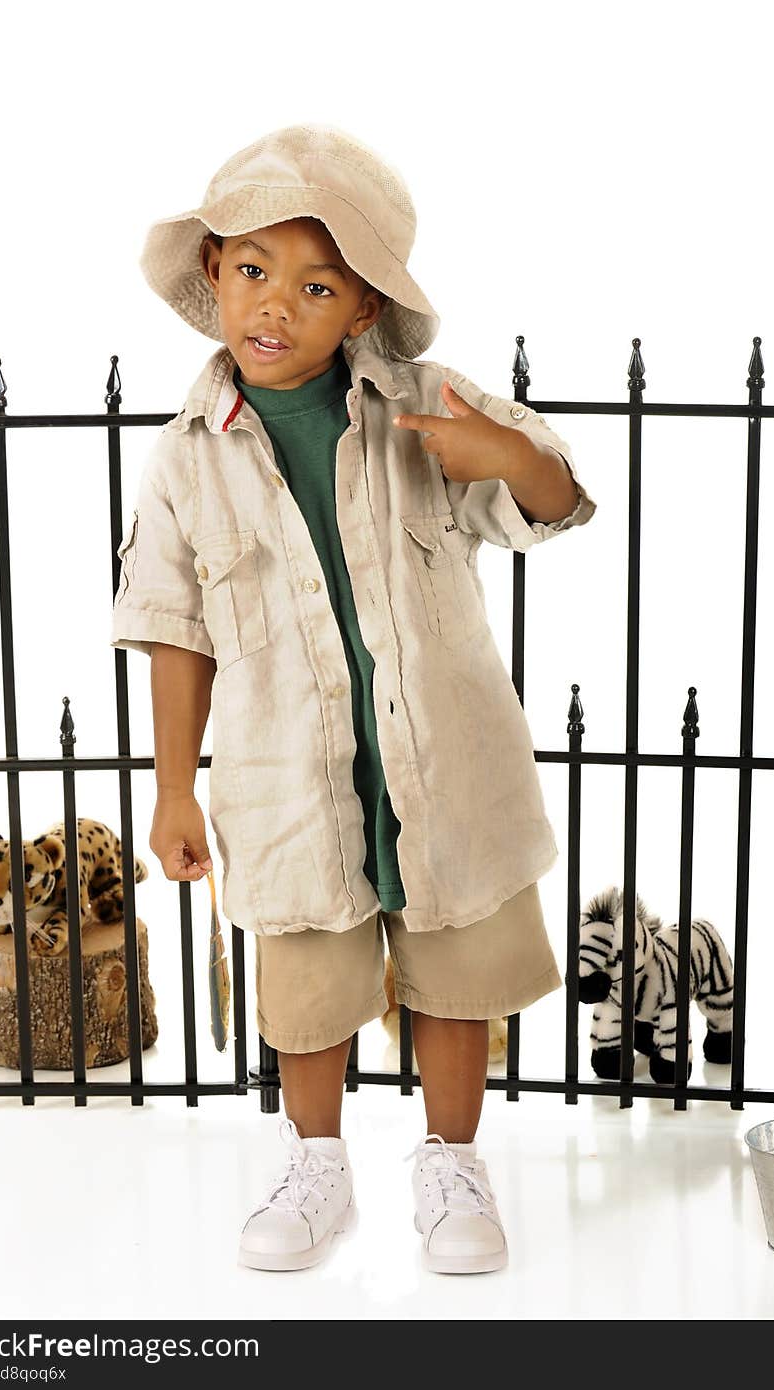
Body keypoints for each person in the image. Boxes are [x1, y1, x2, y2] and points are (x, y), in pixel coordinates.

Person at [110, 123, 597, 1275]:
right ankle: (316, 1159)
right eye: (250, 270)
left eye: (315, 282)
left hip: (442, 758)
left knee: (457, 962)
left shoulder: (424, 406)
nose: (274, 305)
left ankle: (450, 1158)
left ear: (363, 310)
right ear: (214, 271)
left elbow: (553, 498)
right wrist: (174, 786)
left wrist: (502, 451)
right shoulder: (189, 453)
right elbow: (175, 629)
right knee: (310, 976)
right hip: (290, 768)